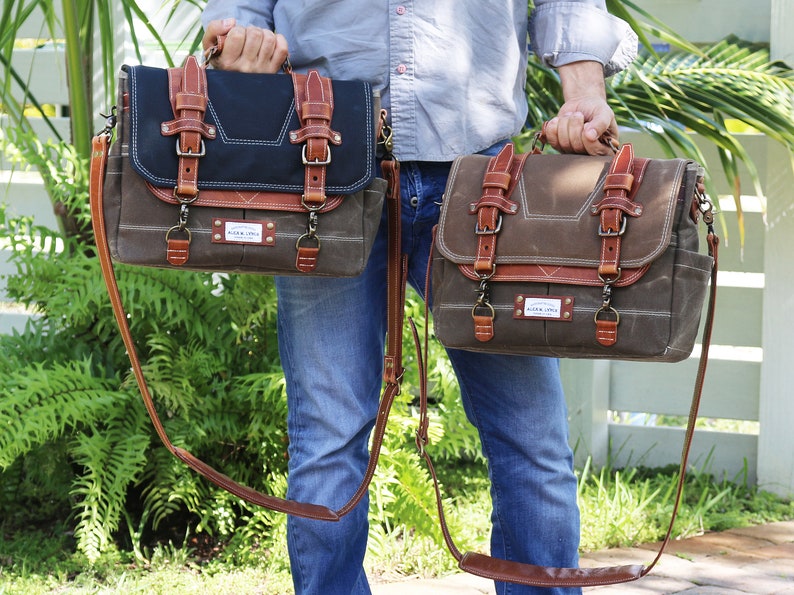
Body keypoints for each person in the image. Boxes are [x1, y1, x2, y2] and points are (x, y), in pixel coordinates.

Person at [200, 2, 637, 594]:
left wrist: (584, 90)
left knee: (531, 439)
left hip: (484, 180)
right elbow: (238, 15)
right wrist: (235, 48)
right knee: (328, 438)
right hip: (320, 170)